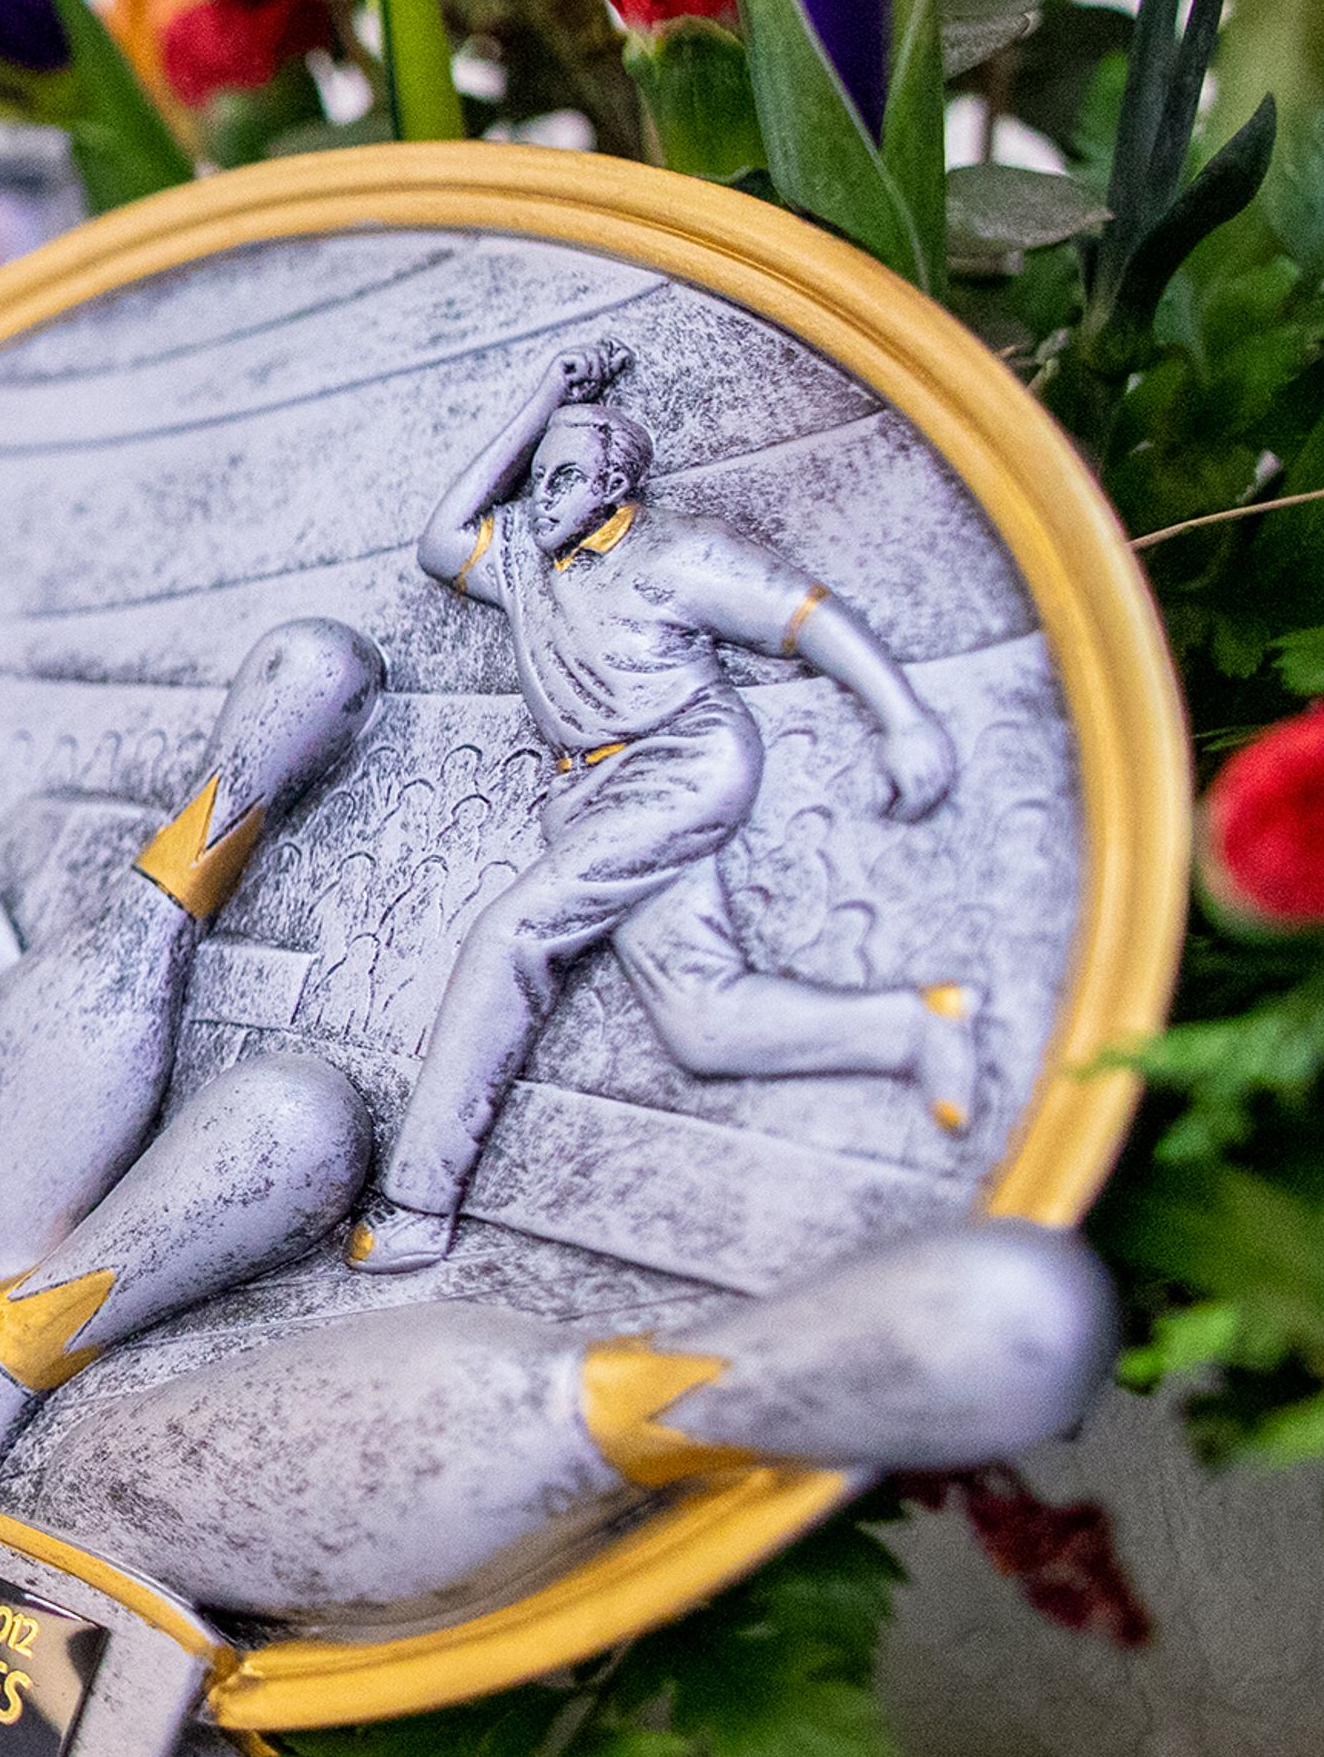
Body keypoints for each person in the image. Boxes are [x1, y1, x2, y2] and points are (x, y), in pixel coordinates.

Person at [342, 336, 983, 1274]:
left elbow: (812, 618)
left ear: (614, 489)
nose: (541, 493)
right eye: (538, 476)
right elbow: (441, 543)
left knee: (511, 935)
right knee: (703, 1023)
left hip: (683, 765)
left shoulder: (681, 552)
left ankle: (417, 1204)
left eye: (564, 477)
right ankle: (915, 1026)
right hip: (589, 793)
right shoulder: (525, 558)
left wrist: (905, 717)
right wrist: (536, 405)